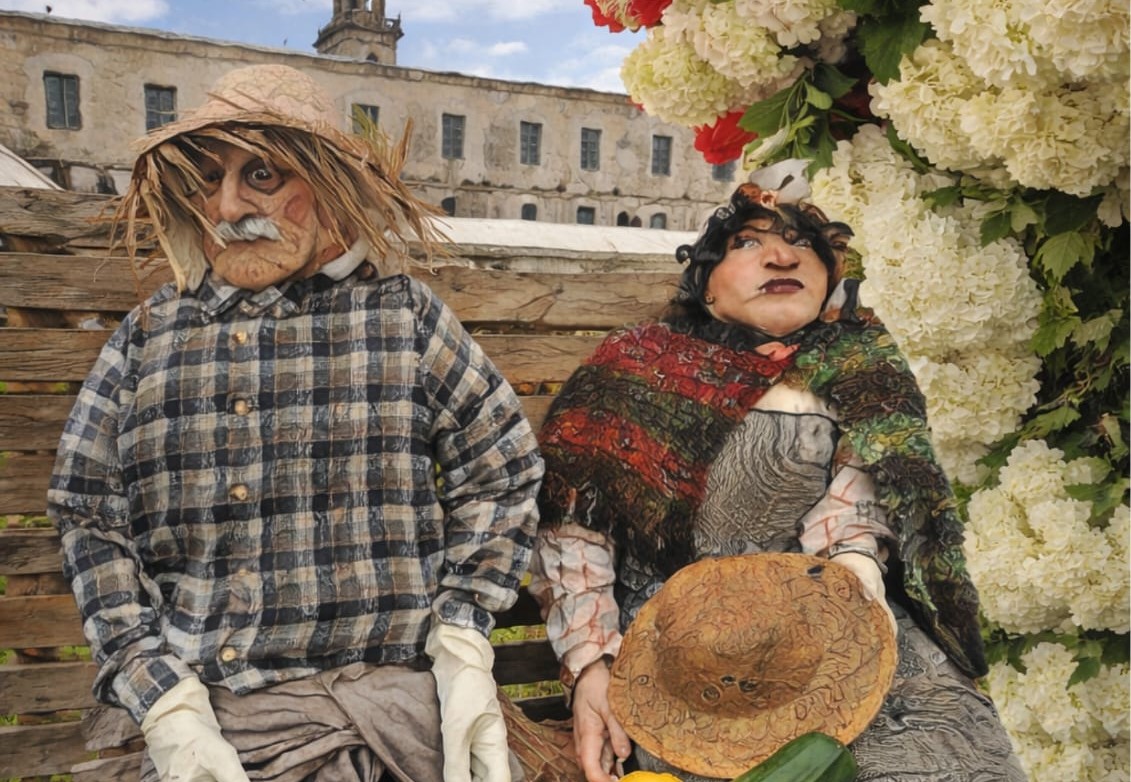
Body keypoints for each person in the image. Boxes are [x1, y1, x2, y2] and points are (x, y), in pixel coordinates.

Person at [48, 63, 544, 782]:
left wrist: (462, 635)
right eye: (205, 181)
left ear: (329, 187)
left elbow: (503, 469)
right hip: (215, 728)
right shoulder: (150, 335)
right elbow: (87, 514)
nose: (225, 207)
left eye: (262, 176)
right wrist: (162, 699)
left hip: (389, 718)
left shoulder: (401, 318)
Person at [528, 162, 1028, 782]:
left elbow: (857, 505)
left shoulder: (862, 370)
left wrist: (856, 579)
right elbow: (575, 526)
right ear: (706, 285)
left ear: (829, 285)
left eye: (801, 245)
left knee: (950, 750)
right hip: (690, 654)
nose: (781, 257)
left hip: (830, 622)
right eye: (748, 243)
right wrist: (593, 666)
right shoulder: (634, 368)